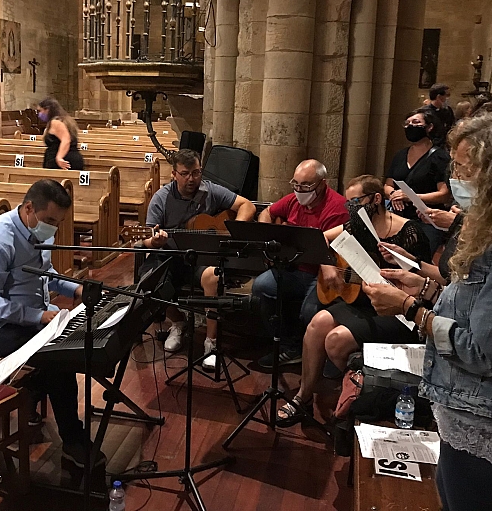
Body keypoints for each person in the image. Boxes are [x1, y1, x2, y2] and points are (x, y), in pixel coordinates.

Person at [364, 115, 492, 511]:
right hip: (459, 407)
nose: (455, 177)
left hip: (479, 417)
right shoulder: (483, 229)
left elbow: (482, 351)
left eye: (464, 169)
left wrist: (410, 310)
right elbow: (469, 304)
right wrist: (426, 287)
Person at [276, 175, 431, 427]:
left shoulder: (409, 231)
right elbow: (321, 238)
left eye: (356, 202)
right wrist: (327, 264)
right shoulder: (358, 225)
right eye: (348, 203)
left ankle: (355, 398)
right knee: (317, 325)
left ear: (376, 199)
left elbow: (420, 283)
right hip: (364, 301)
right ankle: (303, 397)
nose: (350, 208)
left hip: (398, 311)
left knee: (336, 340)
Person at [0, 179, 103, 469]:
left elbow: (47, 273)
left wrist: (75, 288)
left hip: (34, 318)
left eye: (59, 222)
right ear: (29, 208)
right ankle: (71, 439)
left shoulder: (38, 229)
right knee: (58, 360)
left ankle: (33, 399)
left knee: (69, 343)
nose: (53, 228)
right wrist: (39, 317)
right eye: (50, 220)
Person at [139, 149, 256, 370]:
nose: (192, 179)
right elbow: (146, 237)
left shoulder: (210, 189)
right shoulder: (161, 199)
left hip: (203, 258)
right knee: (148, 280)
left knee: (212, 277)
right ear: (174, 174)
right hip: (171, 256)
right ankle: (177, 322)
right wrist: (154, 242)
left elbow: (247, 205)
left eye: (196, 173)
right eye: (185, 174)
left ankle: (211, 343)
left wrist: (231, 232)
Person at [252, 160, 349, 369]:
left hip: (322, 274)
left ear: (322, 184)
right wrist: (266, 237)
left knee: (309, 312)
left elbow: (339, 247)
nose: (299, 190)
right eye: (295, 184)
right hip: (294, 269)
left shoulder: (337, 208)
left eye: (305, 186)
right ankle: (289, 348)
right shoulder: (293, 200)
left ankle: (318, 359)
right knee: (261, 287)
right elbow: (268, 212)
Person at [384, 109, 451, 255]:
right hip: (399, 218)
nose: (410, 126)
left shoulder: (439, 157)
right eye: (407, 123)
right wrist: (394, 194)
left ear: (429, 127)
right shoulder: (400, 155)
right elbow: (388, 184)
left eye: (416, 122)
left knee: (417, 259)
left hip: (426, 220)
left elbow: (444, 194)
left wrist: (410, 196)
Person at [37, 97, 84, 170]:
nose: (39, 114)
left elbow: (66, 139)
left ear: (47, 110)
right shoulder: (64, 120)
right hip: (67, 158)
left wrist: (59, 157)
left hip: (63, 161)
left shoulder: (56, 122)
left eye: (40, 111)